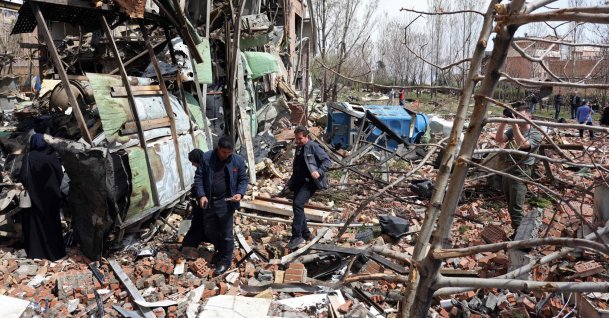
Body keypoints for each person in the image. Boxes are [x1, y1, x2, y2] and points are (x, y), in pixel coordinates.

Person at [187, 136, 249, 275]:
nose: (226, 155)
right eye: (223, 152)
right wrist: (201, 195)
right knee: (209, 230)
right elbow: (199, 178)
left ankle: (226, 260)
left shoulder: (237, 160)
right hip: (209, 201)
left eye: (229, 153)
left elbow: (243, 179)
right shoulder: (207, 158)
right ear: (218, 149)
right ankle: (221, 251)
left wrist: (240, 193)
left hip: (226, 202)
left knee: (226, 233)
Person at [495, 106, 542, 238]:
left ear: (529, 117)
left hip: (521, 171)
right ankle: (518, 231)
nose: (518, 119)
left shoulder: (535, 133)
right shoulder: (512, 130)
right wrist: (504, 122)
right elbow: (499, 138)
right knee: (510, 204)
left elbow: (523, 145)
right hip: (508, 168)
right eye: (516, 116)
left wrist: (515, 126)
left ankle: (522, 237)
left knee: (516, 206)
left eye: (521, 116)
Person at [19, 134, 66, 261]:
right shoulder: (51, 157)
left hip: (34, 197)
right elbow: (60, 176)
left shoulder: (28, 157)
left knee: (34, 224)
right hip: (51, 196)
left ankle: (36, 253)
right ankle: (56, 253)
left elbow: (23, 176)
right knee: (52, 223)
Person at [285, 126, 331, 250]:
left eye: (300, 139)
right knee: (298, 205)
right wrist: (290, 183)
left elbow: (327, 161)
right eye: (296, 139)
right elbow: (297, 168)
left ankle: (296, 236)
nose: (298, 141)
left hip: (310, 182)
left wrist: (319, 171)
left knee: (298, 204)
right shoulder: (299, 148)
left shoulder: (313, 147)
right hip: (299, 182)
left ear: (307, 137)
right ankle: (306, 233)